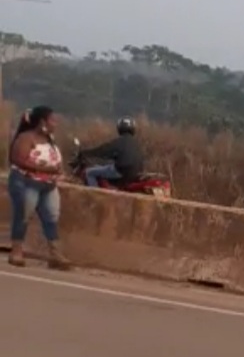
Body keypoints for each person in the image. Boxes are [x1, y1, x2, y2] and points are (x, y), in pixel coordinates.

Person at [7, 106, 70, 269]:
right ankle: (17, 251)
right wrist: (45, 169)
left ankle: (55, 254)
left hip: (48, 186)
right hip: (26, 183)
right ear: (42, 122)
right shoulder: (26, 138)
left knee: (51, 218)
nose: (55, 124)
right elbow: (17, 159)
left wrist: (56, 171)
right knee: (23, 216)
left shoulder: (50, 140)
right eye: (52, 120)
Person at [81, 116, 144, 188]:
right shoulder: (136, 143)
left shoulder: (119, 141)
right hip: (135, 173)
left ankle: (96, 194)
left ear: (120, 128)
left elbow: (104, 150)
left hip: (121, 172)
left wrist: (87, 153)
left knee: (89, 172)